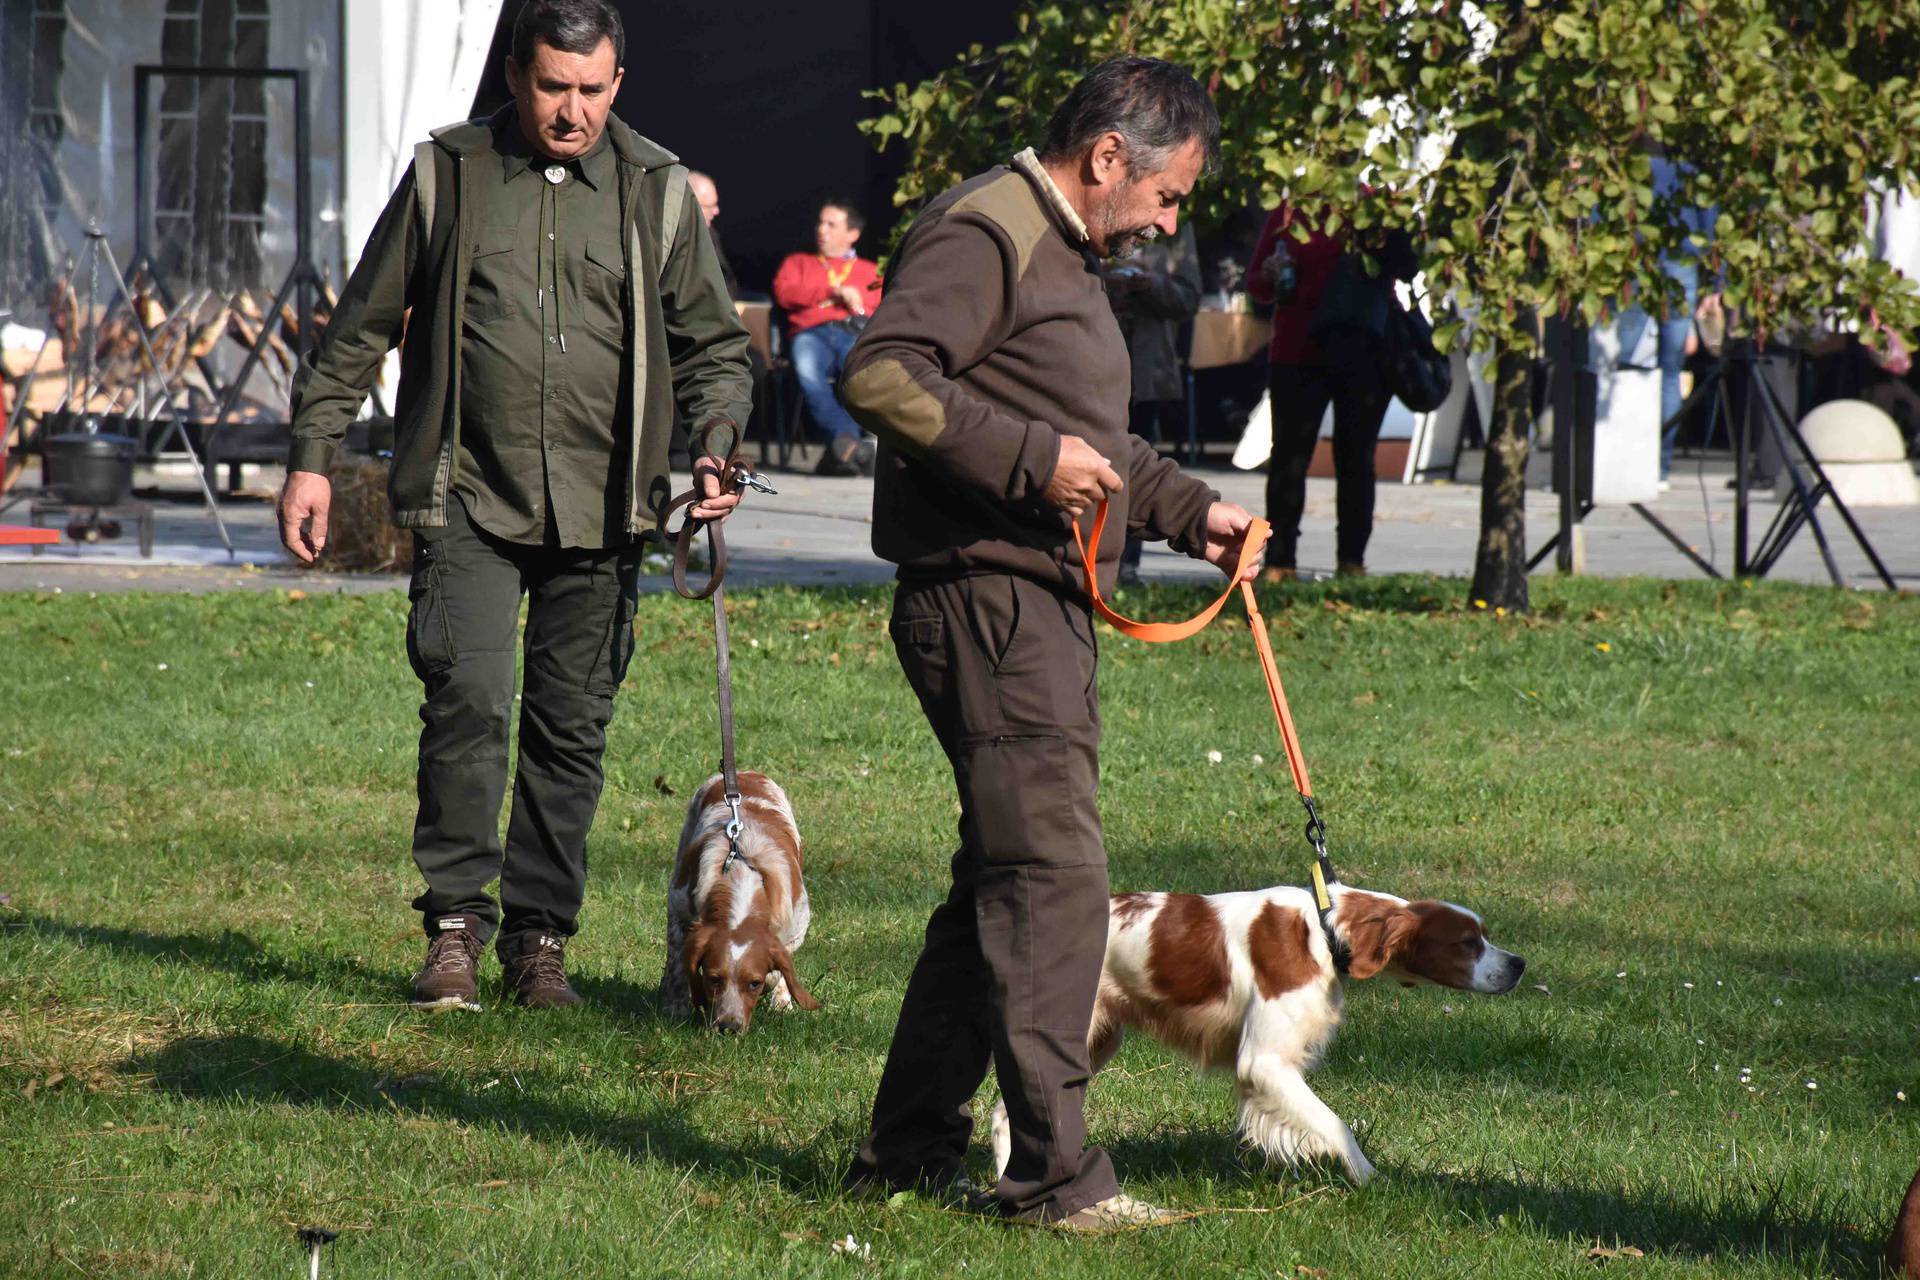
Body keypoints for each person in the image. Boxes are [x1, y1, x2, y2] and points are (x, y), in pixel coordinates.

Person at [837, 56, 1264, 1231]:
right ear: (1110, 157)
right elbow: (878, 373)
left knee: (1003, 880)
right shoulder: (989, 229)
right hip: (986, 600)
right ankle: (1055, 1182)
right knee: (1054, 886)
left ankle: (908, 1148)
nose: (1171, 220)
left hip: (1033, 605)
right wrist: (1029, 462)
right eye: (1169, 194)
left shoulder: (1064, 249)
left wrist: (1193, 511)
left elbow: (1094, 443)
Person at [277, 0, 752, 1011]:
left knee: (570, 728)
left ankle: (539, 942)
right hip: (470, 497)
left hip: (607, 507)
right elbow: (360, 327)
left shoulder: (657, 189)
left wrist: (714, 450)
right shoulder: (448, 174)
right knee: (469, 705)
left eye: (590, 89)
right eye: (552, 87)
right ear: (515, 75)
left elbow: (714, 346)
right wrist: (313, 455)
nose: (570, 110)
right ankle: (453, 927)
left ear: (618, 83)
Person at [1247, 203, 1414, 580]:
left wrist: (1393, 230)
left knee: (1356, 459)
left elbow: (1407, 266)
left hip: (1364, 354)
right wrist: (1272, 275)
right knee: (1289, 458)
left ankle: (1352, 561)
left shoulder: (1374, 209)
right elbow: (1256, 284)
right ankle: (1281, 560)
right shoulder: (1291, 213)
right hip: (1297, 352)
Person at [1107, 221, 1202, 585]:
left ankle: (1126, 564)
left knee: (1136, 465)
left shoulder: (1174, 229)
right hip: (1094, 365)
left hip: (1144, 368)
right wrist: (1104, 279)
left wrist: (1151, 285)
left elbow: (1189, 298)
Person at [772, 200, 883, 475]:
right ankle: (846, 437)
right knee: (808, 371)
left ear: (852, 234)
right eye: (820, 222)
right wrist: (832, 291)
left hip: (851, 333)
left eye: (831, 224)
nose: (821, 229)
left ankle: (846, 450)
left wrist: (858, 305)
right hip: (811, 334)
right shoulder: (798, 262)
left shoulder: (871, 271)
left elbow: (882, 308)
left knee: (862, 374)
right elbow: (785, 294)